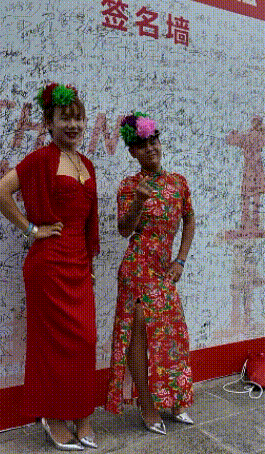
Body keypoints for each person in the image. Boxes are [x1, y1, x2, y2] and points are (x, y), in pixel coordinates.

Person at [0, 83, 99, 451]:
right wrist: (32, 230)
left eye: (78, 118)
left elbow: (88, 221)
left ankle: (82, 414)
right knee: (52, 345)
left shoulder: (88, 165)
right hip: (49, 265)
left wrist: (89, 263)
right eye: (65, 118)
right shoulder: (40, 159)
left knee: (85, 340)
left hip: (79, 265)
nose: (73, 125)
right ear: (49, 123)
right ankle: (53, 416)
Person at [106, 112, 196, 435]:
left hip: (164, 269)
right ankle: (146, 405)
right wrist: (138, 203)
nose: (150, 149)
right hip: (137, 267)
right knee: (140, 329)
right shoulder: (130, 186)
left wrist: (181, 260)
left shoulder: (178, 183)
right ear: (133, 152)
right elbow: (123, 229)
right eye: (142, 146)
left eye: (153, 142)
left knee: (171, 332)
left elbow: (189, 219)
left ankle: (175, 400)